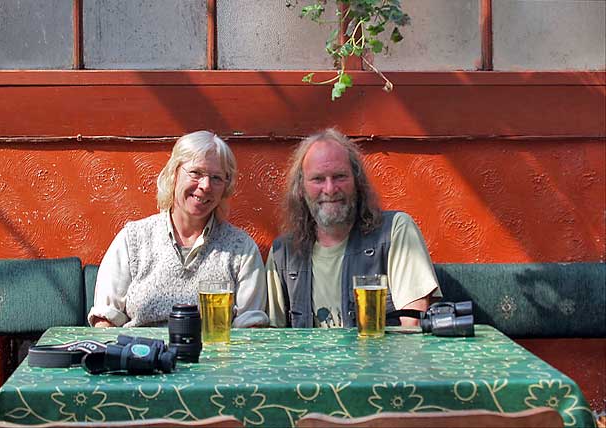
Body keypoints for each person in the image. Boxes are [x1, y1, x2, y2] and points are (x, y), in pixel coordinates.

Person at [88, 131, 267, 328]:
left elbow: (251, 329)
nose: (205, 186)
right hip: (144, 355)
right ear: (174, 174)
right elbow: (105, 320)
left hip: (215, 357)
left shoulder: (241, 249)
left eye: (216, 178)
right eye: (196, 173)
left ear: (226, 187)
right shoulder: (133, 240)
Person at [267, 128, 440, 328]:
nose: (330, 189)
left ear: (357, 181)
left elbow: (412, 326)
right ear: (301, 188)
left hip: (380, 358)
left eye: (340, 176)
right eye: (318, 179)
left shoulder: (396, 232)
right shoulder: (283, 254)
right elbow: (273, 340)